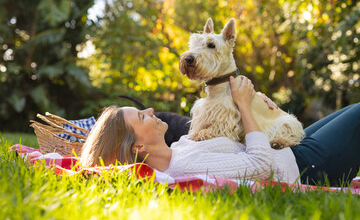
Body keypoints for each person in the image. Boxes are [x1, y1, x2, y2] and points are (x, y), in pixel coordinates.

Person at [80, 76, 360, 186]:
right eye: (142, 116)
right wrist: (243, 105)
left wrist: (255, 103)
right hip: (305, 166)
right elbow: (260, 165)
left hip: (291, 152)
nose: (151, 111)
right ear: (137, 147)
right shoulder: (185, 164)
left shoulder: (179, 148)